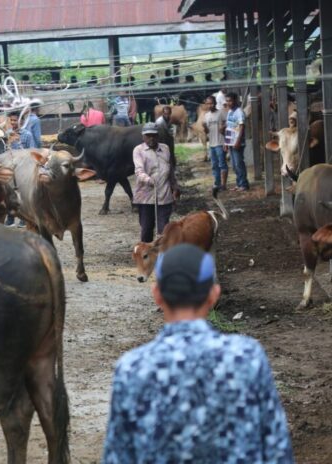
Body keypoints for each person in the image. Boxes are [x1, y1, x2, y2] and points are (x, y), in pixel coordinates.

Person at [103, 244, 293, 463]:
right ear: (213, 295)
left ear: (157, 295)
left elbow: (118, 456)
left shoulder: (132, 369)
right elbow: (277, 451)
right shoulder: (248, 358)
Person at [133, 123, 179, 243]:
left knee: (164, 230)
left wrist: (175, 186)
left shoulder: (165, 149)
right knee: (147, 229)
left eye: (154, 135)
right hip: (146, 197)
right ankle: (146, 252)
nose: (151, 138)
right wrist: (149, 180)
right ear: (143, 137)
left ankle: (162, 253)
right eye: (148, 136)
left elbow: (170, 169)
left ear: (158, 136)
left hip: (164, 195)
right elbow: (139, 171)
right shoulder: (138, 150)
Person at [224, 92, 249, 192]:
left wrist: (238, 141)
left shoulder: (239, 112)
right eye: (227, 101)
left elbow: (242, 127)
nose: (228, 103)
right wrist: (226, 142)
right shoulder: (230, 112)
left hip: (237, 143)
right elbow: (229, 127)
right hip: (230, 142)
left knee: (239, 164)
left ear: (235, 100)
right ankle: (239, 184)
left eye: (230, 101)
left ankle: (244, 184)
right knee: (234, 165)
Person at [203, 95, 228, 190]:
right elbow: (207, 131)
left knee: (222, 164)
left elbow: (227, 124)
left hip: (220, 143)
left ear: (215, 103)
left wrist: (224, 128)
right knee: (214, 165)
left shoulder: (221, 113)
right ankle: (217, 183)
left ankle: (223, 185)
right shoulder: (206, 115)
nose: (210, 105)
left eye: (211, 103)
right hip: (212, 144)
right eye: (208, 104)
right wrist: (205, 127)